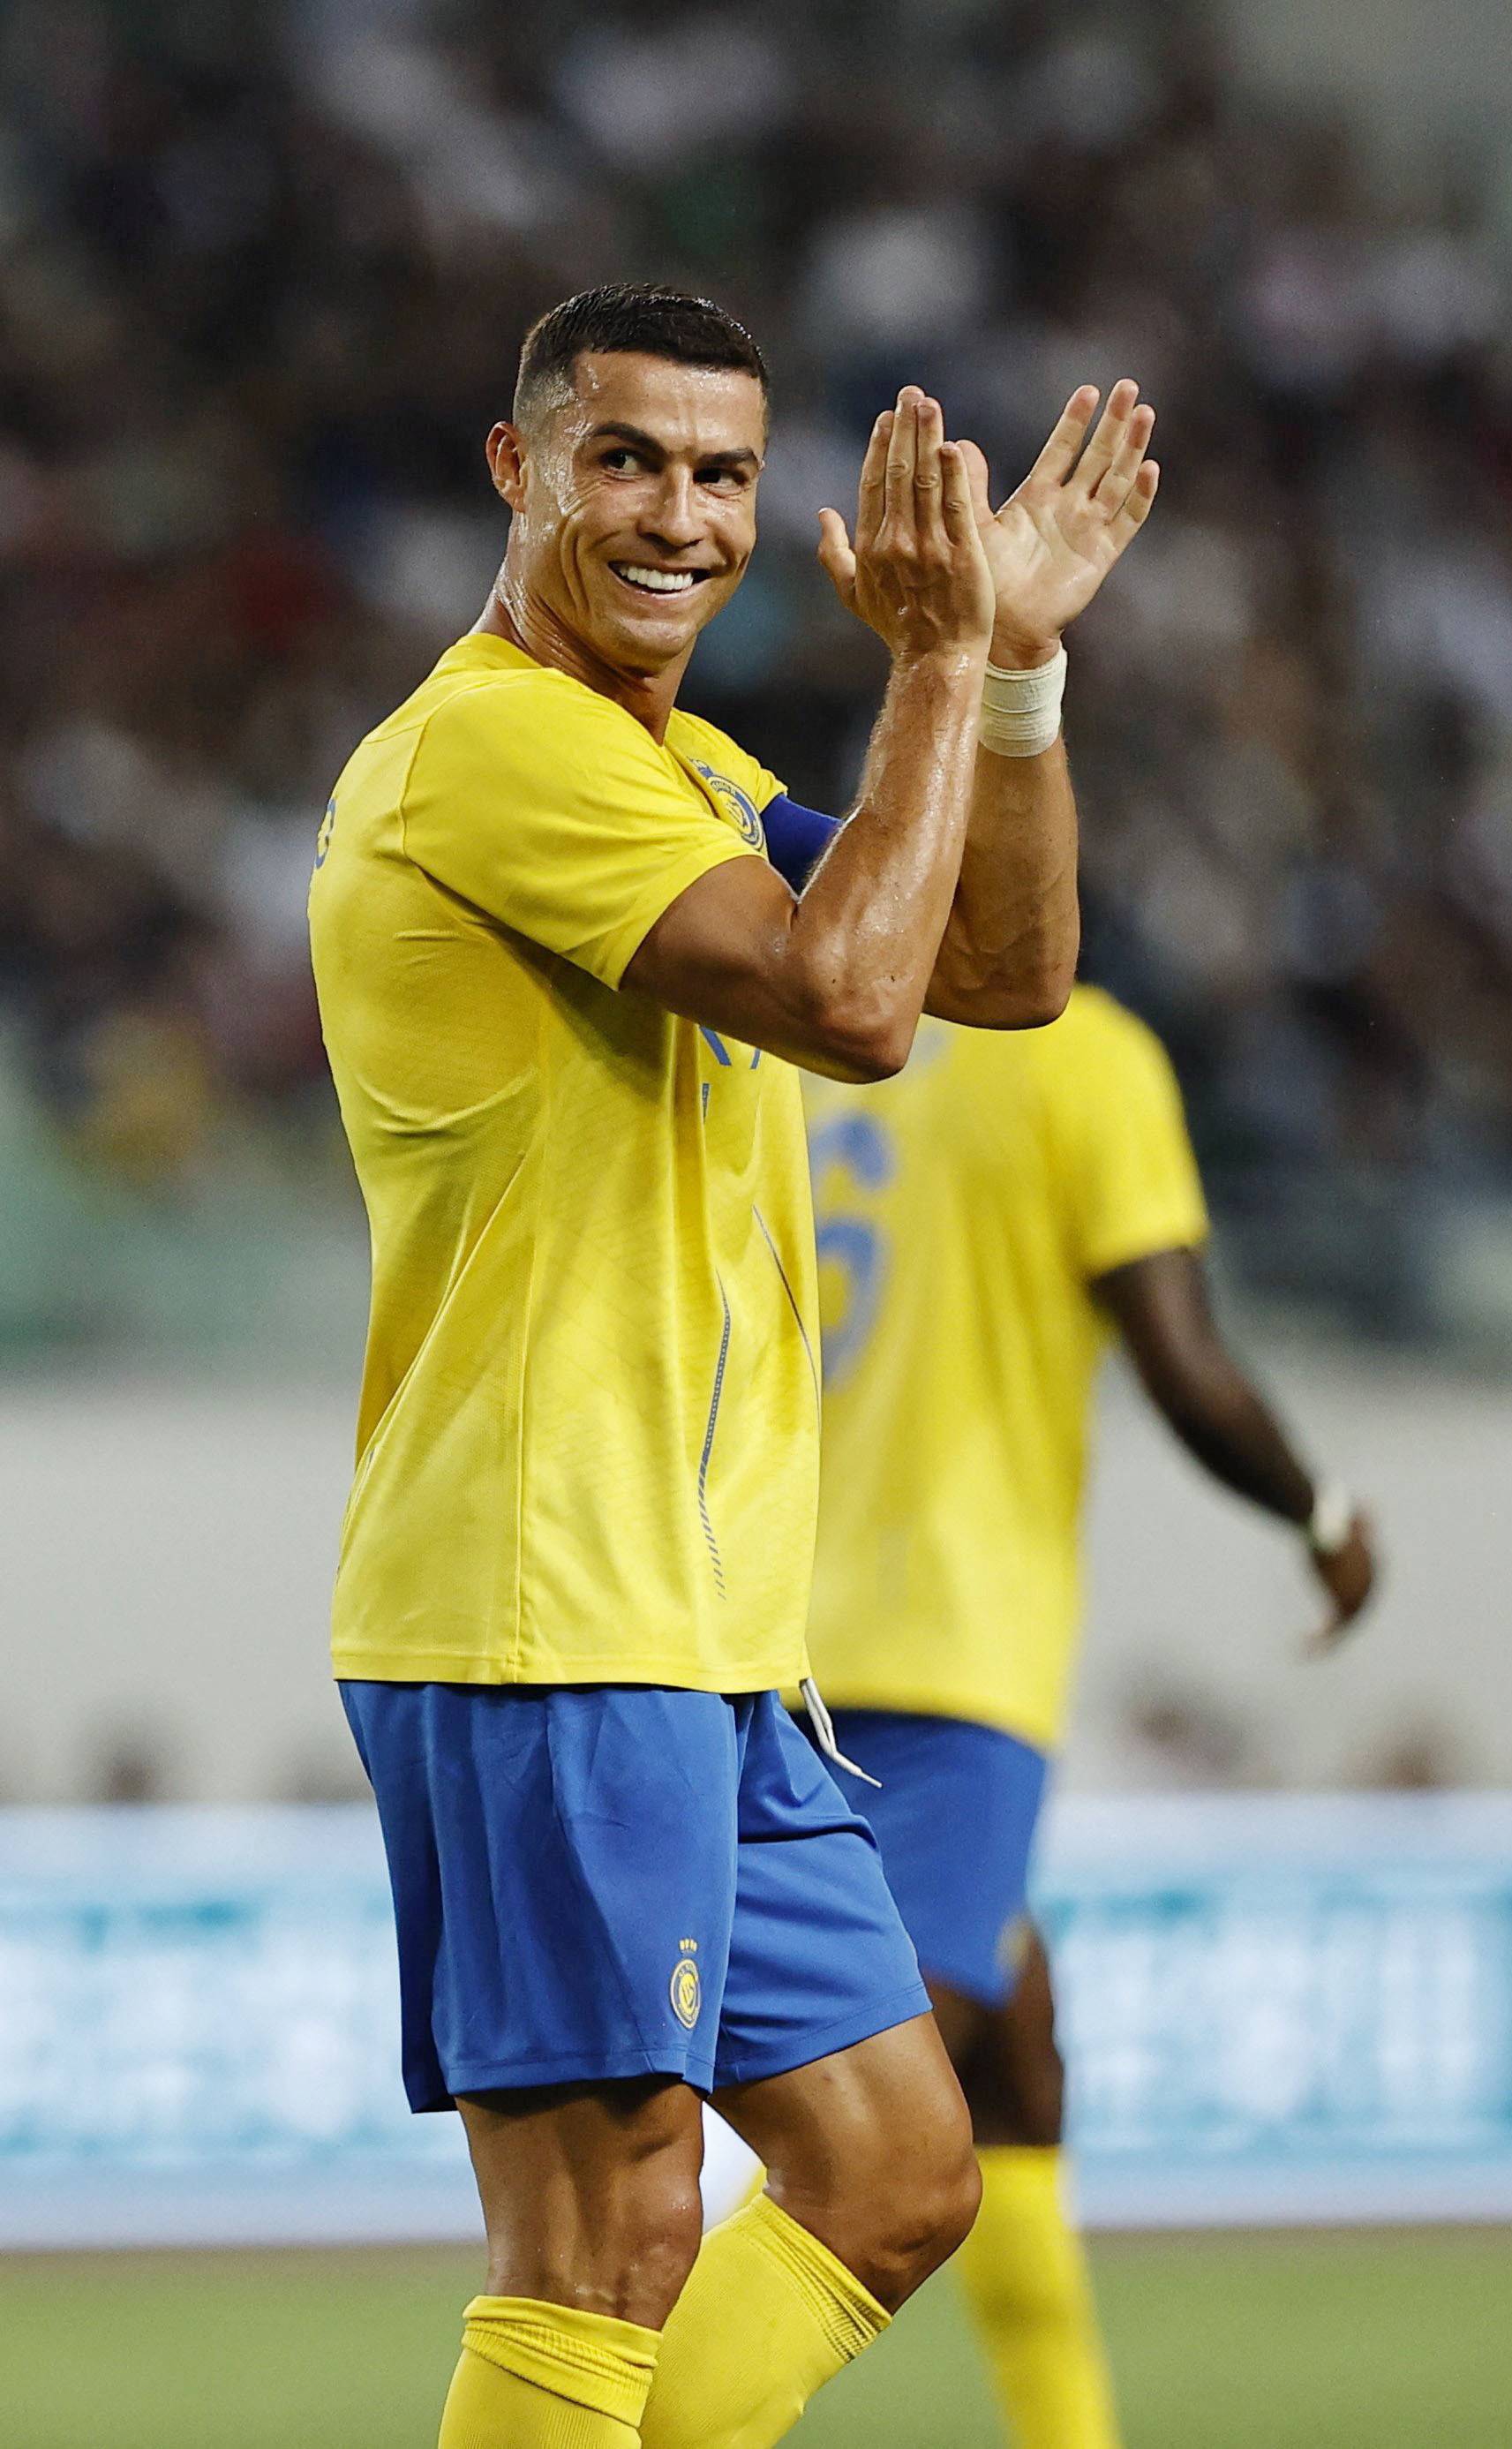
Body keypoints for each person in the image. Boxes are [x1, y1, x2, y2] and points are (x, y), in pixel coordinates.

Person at [308, 281, 1161, 2449]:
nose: (679, 513)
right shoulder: (493, 749)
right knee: (605, 2241)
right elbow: (858, 1008)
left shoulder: (677, 768)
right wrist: (940, 657)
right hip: (542, 1606)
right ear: (517, 473)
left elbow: (1000, 970)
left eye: (714, 470)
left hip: (698, 1632)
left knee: (896, 2172)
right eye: (623, 457)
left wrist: (1025, 672)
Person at [801, 989, 1380, 2449]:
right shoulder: (1088, 1059)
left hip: (781, 1637)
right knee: (862, 2158)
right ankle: (629, 2419)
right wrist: (1319, 1512)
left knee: (1014, 2070)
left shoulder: (813, 1037)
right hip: (947, 1656)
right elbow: (1181, 1358)